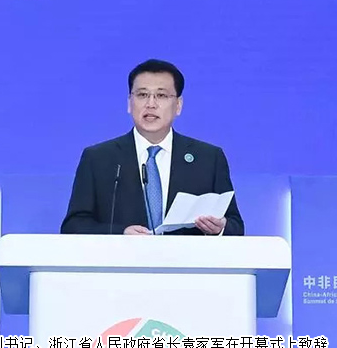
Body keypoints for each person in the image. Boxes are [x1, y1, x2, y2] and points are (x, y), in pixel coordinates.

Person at [60, 59, 244, 236]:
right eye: (142, 95)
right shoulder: (98, 158)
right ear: (129, 103)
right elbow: (73, 225)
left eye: (161, 95)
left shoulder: (208, 158)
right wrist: (120, 233)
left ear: (178, 105)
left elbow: (235, 225)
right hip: (121, 257)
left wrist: (219, 228)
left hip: (185, 257)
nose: (151, 104)